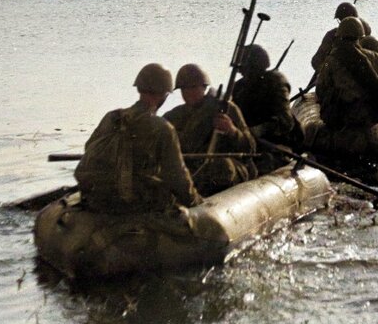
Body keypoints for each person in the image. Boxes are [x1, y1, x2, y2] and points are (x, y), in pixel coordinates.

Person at [73, 63, 203, 214]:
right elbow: (177, 177)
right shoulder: (162, 128)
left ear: (139, 88)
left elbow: (89, 147)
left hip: (97, 198)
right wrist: (197, 202)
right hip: (134, 203)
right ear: (164, 95)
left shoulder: (112, 117)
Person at [163, 64, 257, 196]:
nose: (189, 92)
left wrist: (231, 130)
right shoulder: (173, 116)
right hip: (191, 170)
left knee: (223, 167)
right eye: (184, 89)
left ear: (204, 87)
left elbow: (250, 148)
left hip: (225, 170)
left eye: (194, 87)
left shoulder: (226, 108)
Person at [315, 17, 378, 132]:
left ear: (340, 36)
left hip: (339, 118)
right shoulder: (376, 58)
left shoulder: (330, 61)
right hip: (368, 116)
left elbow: (320, 90)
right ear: (360, 37)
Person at [231, 43, 300, 172]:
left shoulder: (275, 82)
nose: (241, 73)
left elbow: (285, 122)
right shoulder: (238, 87)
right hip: (249, 144)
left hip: (275, 143)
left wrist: (259, 130)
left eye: (245, 69)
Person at [310, 2, 372, 72]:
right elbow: (316, 61)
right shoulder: (366, 33)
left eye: (341, 20)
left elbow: (316, 61)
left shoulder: (332, 35)